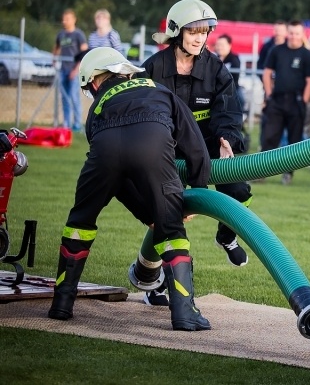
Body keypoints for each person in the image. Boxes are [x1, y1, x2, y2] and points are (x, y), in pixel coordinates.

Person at [47, 47, 212, 331]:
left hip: (104, 150)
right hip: (153, 144)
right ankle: (185, 314)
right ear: (124, 72)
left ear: (95, 80)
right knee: (171, 230)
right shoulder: (158, 89)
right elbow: (194, 142)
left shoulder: (97, 107)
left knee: (79, 222)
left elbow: (117, 180)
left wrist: (145, 213)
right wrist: (197, 190)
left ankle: (61, 304)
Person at [137, 0, 251, 307]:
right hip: (167, 148)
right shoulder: (153, 68)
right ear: (177, 32)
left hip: (210, 144)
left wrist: (227, 139)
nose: (200, 39)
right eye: (193, 32)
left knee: (239, 191)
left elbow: (229, 109)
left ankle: (226, 236)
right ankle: (155, 283)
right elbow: (141, 112)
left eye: (204, 32)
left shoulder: (215, 68)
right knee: (169, 214)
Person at [260, 20, 310, 184]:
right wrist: (269, 95)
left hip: (296, 101)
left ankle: (288, 173)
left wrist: (304, 100)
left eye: (297, 33)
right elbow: (267, 73)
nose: (293, 36)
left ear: (302, 34)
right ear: (287, 34)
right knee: (269, 136)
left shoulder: (307, 55)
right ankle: (260, 172)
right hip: (277, 100)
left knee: (294, 140)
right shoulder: (276, 50)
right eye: (291, 33)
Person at [53, 8, 89, 132]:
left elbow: (84, 53)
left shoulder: (79, 35)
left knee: (74, 97)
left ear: (74, 20)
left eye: (67, 19)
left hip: (75, 71)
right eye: (63, 19)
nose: (64, 21)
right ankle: (66, 124)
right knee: (65, 97)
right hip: (63, 70)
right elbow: (56, 48)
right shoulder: (61, 35)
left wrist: (76, 70)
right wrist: (54, 60)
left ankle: (77, 124)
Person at [214, 34, 245, 112]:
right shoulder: (214, 59)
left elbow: (234, 78)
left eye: (222, 45)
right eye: (218, 45)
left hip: (231, 89)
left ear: (229, 45)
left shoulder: (234, 59)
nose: (219, 47)